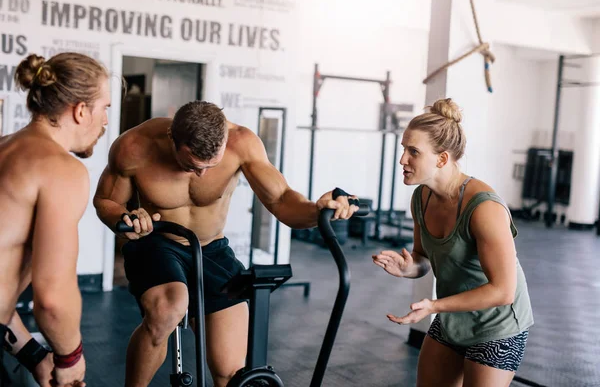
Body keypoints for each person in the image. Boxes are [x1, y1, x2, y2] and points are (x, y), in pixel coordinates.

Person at [93, 100, 358, 387]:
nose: (202, 174)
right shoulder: (134, 146)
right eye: (192, 165)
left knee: (231, 371)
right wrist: (125, 216)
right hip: (157, 242)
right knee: (169, 308)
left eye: (211, 166)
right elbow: (106, 201)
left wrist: (320, 212)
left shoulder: (241, 143)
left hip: (212, 249)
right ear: (172, 138)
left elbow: (281, 200)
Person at [372, 98, 534, 387]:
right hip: (453, 317)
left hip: (497, 325)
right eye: (403, 150)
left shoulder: (484, 208)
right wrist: (407, 267)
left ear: (442, 158)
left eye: (413, 152)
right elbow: (422, 258)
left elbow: (503, 291)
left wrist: (434, 305)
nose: (402, 160)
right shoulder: (421, 198)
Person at [0, 52, 110, 387]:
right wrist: (70, 358)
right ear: (80, 110)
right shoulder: (61, 170)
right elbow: (52, 296)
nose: (105, 121)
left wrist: (33, 354)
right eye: (105, 107)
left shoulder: (4, 148)